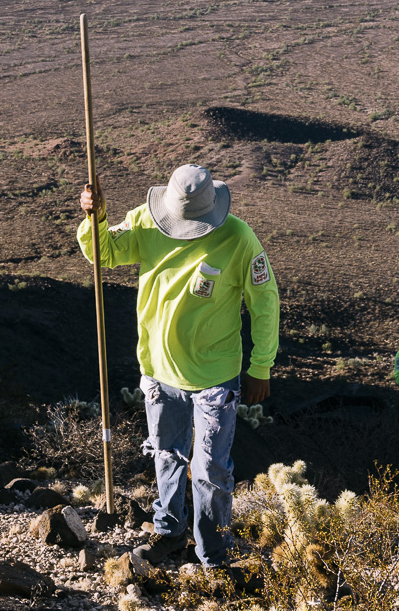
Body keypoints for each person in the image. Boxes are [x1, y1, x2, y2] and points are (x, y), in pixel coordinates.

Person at [78, 164, 280, 570]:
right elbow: (105, 253)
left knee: (210, 469)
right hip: (159, 371)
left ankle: (213, 554)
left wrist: (262, 366)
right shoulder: (144, 222)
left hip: (215, 378)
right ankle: (169, 533)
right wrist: (94, 218)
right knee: (167, 456)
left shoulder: (239, 238)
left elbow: (265, 301)